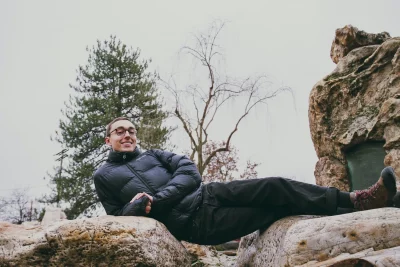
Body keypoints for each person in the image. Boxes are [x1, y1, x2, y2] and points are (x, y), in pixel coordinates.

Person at [93, 117, 398, 245]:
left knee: (275, 186)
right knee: (274, 210)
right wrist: (135, 209)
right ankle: (363, 209)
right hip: (198, 224)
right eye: (120, 131)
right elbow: (117, 217)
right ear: (108, 139)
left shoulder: (154, 155)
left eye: (131, 130)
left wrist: (158, 200)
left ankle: (357, 200)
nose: (128, 134)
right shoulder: (103, 176)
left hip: (209, 193)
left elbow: (189, 172)